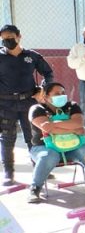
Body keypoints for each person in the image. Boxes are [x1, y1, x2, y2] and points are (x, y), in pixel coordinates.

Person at [26, 82, 85, 203]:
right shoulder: (36, 109)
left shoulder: (72, 106)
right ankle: (35, 188)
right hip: (43, 148)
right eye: (57, 94)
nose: (61, 96)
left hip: (72, 147)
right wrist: (72, 129)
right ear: (45, 97)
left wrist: (54, 126)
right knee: (50, 156)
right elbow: (47, 128)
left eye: (63, 93)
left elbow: (78, 123)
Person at [0, 24, 54, 185]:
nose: (7, 41)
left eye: (10, 37)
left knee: (34, 137)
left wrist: (43, 89)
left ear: (19, 36)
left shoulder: (31, 56)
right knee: (7, 138)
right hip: (5, 103)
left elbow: (48, 73)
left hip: (29, 102)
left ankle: (40, 167)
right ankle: (8, 173)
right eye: (4, 38)